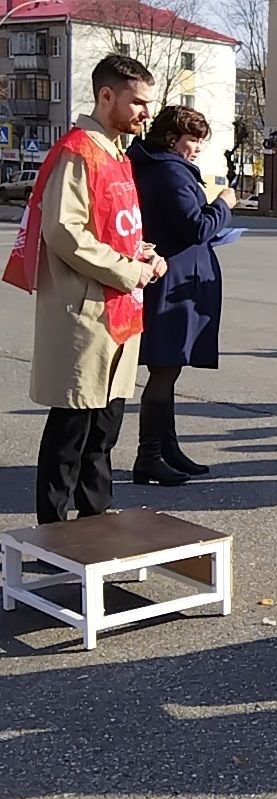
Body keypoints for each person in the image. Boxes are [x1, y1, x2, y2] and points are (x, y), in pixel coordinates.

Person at [13, 56, 167, 524]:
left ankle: (97, 525)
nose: (147, 112)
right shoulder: (79, 151)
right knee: (72, 429)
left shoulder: (117, 152)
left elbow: (114, 226)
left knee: (104, 429)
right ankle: (55, 534)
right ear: (107, 96)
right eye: (138, 102)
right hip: (86, 310)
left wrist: (145, 253)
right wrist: (126, 269)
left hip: (117, 310)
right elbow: (65, 231)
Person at [126, 105, 236, 487]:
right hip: (172, 284)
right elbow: (195, 227)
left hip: (171, 277)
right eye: (193, 141)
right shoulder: (170, 172)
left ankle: (167, 449)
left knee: (167, 368)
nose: (197, 149)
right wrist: (223, 205)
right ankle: (149, 455)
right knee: (165, 366)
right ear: (172, 139)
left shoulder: (155, 166)